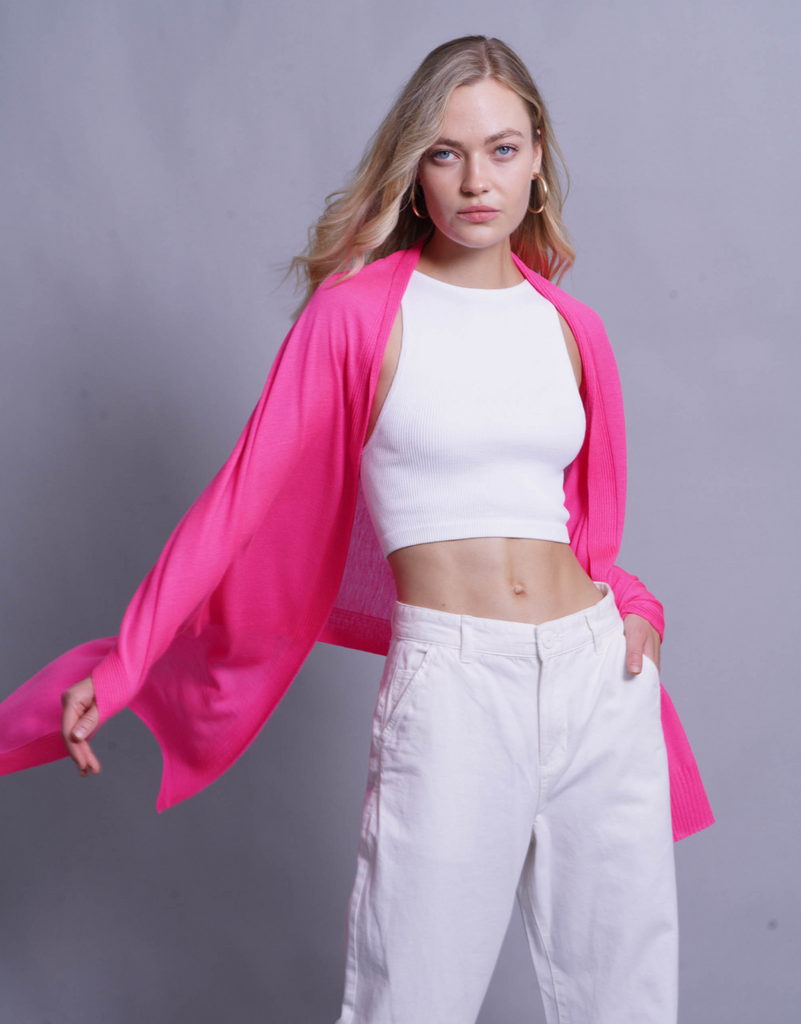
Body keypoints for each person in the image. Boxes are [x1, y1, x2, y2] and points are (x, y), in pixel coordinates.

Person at [0, 35, 714, 1024]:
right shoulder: (357, 317)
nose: (477, 181)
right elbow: (238, 499)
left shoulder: (571, 328)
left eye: (503, 149)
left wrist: (636, 605)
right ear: (415, 168)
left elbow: (577, 526)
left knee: (627, 1001)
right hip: (456, 686)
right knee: (410, 998)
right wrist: (124, 664)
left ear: (538, 159)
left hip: (599, 680)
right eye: (447, 153)